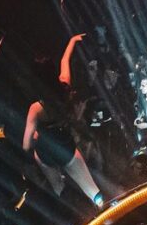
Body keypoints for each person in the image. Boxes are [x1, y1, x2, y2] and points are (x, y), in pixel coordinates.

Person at [23, 34, 103, 205]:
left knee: (58, 187)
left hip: (47, 155)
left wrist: (36, 135)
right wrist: (72, 41)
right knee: (92, 190)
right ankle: (105, 209)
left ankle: (70, 210)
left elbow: (26, 145)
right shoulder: (65, 86)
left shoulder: (36, 109)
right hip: (66, 149)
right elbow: (65, 60)